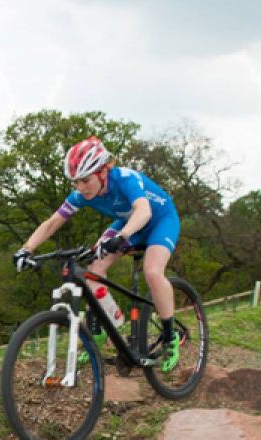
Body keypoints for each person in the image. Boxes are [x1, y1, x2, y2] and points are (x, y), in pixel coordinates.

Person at [13, 136, 182, 361]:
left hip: (160, 220)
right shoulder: (81, 194)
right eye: (75, 182)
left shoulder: (125, 179)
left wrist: (121, 237)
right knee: (93, 270)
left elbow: (144, 211)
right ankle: (105, 325)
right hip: (128, 222)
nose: (80, 188)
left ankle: (170, 336)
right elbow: (53, 222)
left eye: (85, 180)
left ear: (103, 172)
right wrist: (26, 249)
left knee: (152, 271)